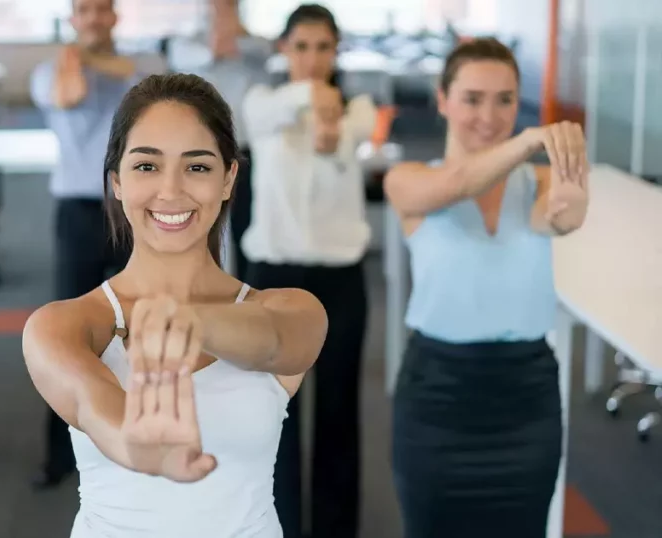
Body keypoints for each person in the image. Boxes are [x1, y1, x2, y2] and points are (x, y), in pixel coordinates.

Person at [22, 72, 328, 537]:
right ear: (117, 181)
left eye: (197, 167)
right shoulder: (63, 325)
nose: (170, 191)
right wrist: (138, 446)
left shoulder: (291, 310)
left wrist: (189, 321)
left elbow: (275, 344)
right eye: (147, 166)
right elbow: (91, 403)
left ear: (228, 179)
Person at [383, 38, 589, 537]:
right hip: (437, 397)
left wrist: (569, 211)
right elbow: (457, 185)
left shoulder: (538, 182)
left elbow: (555, 217)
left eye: (505, 100)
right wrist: (526, 141)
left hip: (526, 399)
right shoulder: (408, 179)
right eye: (472, 99)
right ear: (443, 100)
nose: (489, 117)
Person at [240, 5, 376, 537]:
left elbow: (338, 138)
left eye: (323, 47)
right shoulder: (262, 102)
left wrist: (326, 113)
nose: (313, 58)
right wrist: (311, 96)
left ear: (337, 51)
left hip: (340, 277)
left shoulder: (358, 109)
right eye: (301, 47)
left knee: (339, 408)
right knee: (274, 414)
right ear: (284, 49)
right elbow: (263, 118)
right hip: (274, 276)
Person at [28, 0, 163, 488]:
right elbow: (71, 93)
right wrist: (81, 61)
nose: (94, 19)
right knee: (67, 335)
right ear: (73, 19)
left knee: (143, 329)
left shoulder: (140, 69)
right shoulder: (48, 73)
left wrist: (89, 58)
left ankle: (145, 440)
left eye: (102, 9)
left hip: (133, 212)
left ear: (114, 17)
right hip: (80, 213)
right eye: (84, 10)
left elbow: (152, 91)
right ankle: (60, 455)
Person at [168, 0, 272, 278]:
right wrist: (214, 48)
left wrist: (236, 37)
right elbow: (182, 55)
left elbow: (265, 51)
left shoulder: (254, 46)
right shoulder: (188, 44)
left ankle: (246, 296)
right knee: (200, 228)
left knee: (246, 229)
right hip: (200, 155)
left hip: (245, 153)